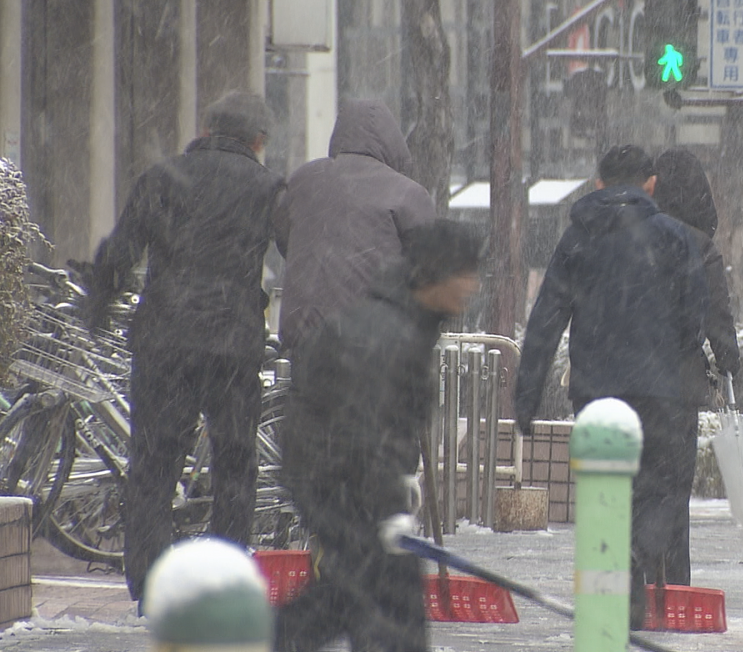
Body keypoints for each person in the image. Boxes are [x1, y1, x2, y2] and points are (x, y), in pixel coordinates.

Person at [77, 92, 286, 603]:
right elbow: (300, 254)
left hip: (165, 341)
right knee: (234, 464)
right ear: (258, 140)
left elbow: (120, 251)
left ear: (208, 128)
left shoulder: (164, 177)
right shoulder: (268, 189)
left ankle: (150, 579)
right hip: (232, 347)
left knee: (153, 462)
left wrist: (97, 308)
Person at [514, 144, 708, 627]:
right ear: (651, 184)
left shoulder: (577, 239)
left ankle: (611, 600)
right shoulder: (675, 238)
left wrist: (526, 396)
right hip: (658, 392)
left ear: (598, 184)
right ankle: (636, 558)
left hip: (596, 391)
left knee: (606, 489)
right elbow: (694, 324)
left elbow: (544, 321)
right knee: (661, 486)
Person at [274, 219, 484, 652]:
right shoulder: (387, 336)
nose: (473, 285)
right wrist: (384, 507)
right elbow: (362, 432)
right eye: (465, 273)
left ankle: (256, 640)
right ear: (435, 274)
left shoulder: (408, 322)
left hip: (347, 486)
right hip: (340, 486)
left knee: (350, 598)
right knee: (381, 604)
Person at [274, 98, 436, 352]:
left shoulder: (303, 181)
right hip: (373, 346)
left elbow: (285, 239)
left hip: (305, 339)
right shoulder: (407, 193)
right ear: (393, 142)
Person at [651, 147, 739, 585]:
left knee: (635, 488)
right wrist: (728, 361)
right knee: (673, 491)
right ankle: (673, 582)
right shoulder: (699, 246)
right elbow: (718, 317)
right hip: (677, 387)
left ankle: (635, 579)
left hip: (626, 382)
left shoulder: (633, 234)